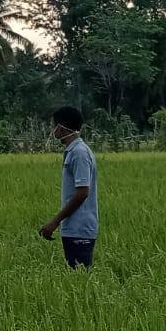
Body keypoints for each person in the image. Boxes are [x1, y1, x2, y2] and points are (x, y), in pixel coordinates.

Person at [40, 105, 99, 267]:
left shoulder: (79, 153)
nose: (52, 130)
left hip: (80, 229)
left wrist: (55, 222)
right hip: (73, 228)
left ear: (61, 128)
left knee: (79, 276)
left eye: (53, 126)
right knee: (75, 275)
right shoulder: (73, 151)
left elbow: (82, 192)